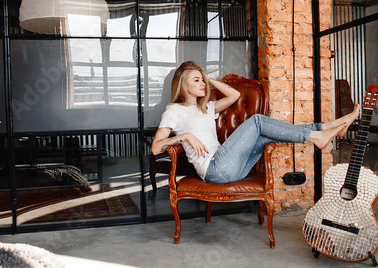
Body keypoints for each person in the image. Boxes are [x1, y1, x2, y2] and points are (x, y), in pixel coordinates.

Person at [151, 61, 360, 184]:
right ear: (182, 84)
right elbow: (155, 148)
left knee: (264, 133)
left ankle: (326, 127)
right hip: (214, 169)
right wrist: (185, 136)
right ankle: (318, 136)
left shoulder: (207, 107)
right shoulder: (174, 110)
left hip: (235, 168)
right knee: (258, 121)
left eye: (201, 79)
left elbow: (233, 96)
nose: (202, 83)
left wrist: (209, 78)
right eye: (196, 80)